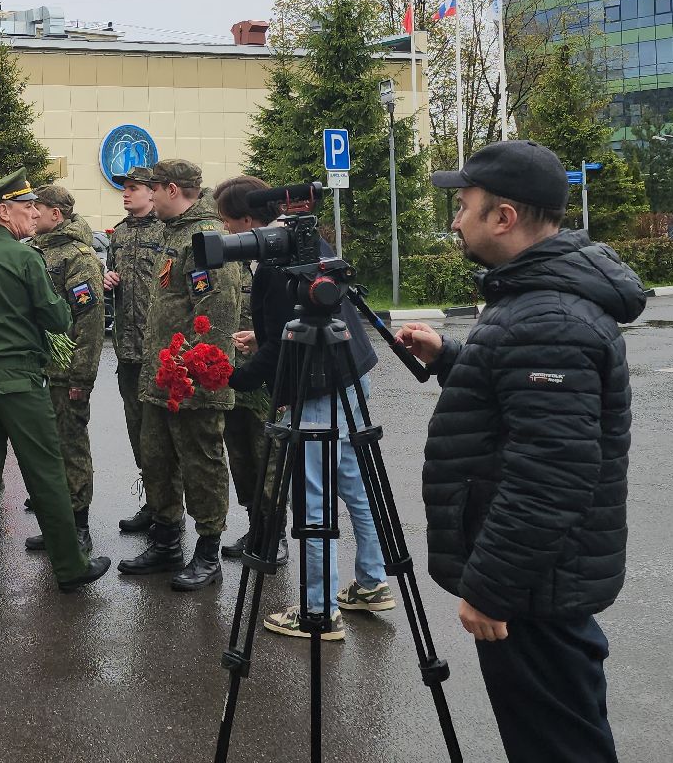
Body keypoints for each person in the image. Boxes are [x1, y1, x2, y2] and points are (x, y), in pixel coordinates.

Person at [395, 141, 642, 763]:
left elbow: (551, 476)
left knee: (557, 746)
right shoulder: (532, 303)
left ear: (503, 217)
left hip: (535, 588)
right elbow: (523, 410)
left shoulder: (548, 318)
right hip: (543, 580)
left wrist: (492, 589)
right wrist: (454, 358)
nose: (455, 221)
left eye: (463, 206)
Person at [214, 176, 391, 642]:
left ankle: (318, 610)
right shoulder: (306, 238)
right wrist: (265, 338)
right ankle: (372, 582)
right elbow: (300, 319)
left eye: (228, 224)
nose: (227, 234)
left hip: (315, 388)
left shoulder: (277, 261)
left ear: (249, 222)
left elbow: (281, 347)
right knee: (354, 485)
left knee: (314, 501)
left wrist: (235, 376)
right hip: (351, 372)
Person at [0, 169, 112, 611]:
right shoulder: (25, 258)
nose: (34, 214)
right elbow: (58, 319)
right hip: (17, 378)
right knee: (47, 475)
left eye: (36, 207)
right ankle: (70, 568)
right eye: (26, 207)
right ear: (3, 211)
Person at [119, 159, 242, 592]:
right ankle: (166, 541)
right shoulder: (172, 233)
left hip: (191, 382)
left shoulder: (206, 237)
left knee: (201, 464)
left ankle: (208, 551)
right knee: (157, 460)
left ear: (172, 189)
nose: (147, 195)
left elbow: (217, 315)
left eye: (153, 188)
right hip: (160, 378)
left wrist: (188, 372)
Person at [24, 184, 107, 553]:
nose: (31, 215)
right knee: (43, 450)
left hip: (63, 370)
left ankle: (78, 525)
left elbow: (89, 321)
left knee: (70, 447)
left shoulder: (79, 256)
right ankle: (55, 522)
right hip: (33, 367)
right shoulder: (30, 251)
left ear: (56, 214)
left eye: (37, 209)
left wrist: (81, 376)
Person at [104, 165, 164, 534]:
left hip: (158, 349)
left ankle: (167, 508)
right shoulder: (120, 233)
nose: (126, 194)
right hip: (127, 349)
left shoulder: (166, 230)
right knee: (138, 429)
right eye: (124, 188)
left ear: (151, 192)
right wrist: (107, 278)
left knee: (162, 433)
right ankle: (153, 502)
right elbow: (114, 278)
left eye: (133, 188)